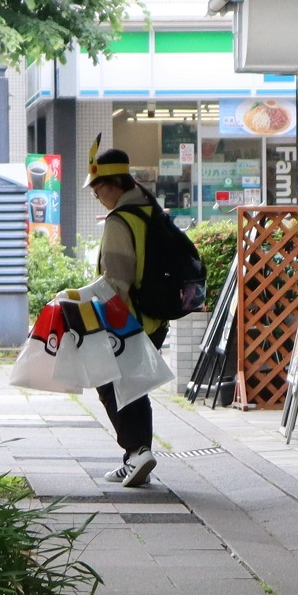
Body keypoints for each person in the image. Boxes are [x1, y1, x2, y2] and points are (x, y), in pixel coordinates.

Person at [77, 144, 167, 487]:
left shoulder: (120, 221)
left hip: (126, 321)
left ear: (114, 185)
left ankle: (137, 451)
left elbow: (115, 283)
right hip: (155, 319)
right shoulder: (149, 210)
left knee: (109, 381)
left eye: (98, 189)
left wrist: (89, 308)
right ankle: (135, 456)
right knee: (133, 386)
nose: (97, 196)